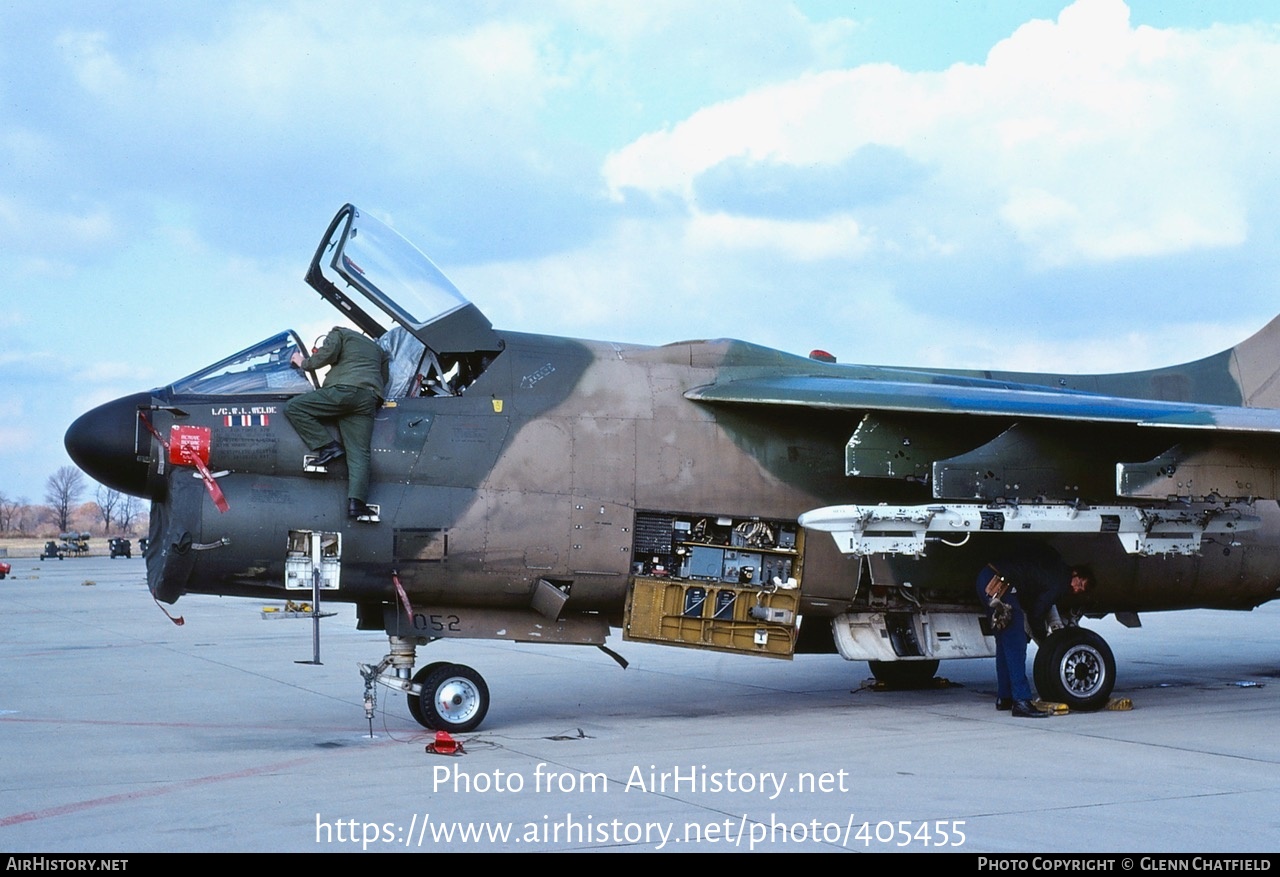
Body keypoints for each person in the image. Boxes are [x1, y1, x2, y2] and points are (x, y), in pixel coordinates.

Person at [976, 543, 1094, 718]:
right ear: (1075, 573)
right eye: (1080, 583)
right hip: (1001, 585)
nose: (1077, 589)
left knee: (1004, 643)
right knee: (1016, 643)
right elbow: (1038, 610)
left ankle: (1005, 697)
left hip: (986, 579)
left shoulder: (1054, 568)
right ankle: (1022, 701)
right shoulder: (1060, 580)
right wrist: (1044, 641)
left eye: (1081, 590)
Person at [285, 327, 389, 519]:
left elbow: (326, 355)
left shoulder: (340, 332)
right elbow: (385, 378)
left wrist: (303, 362)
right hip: (369, 398)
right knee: (359, 452)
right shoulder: (378, 350)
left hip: (344, 390)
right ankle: (357, 503)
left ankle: (328, 446)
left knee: (294, 407)